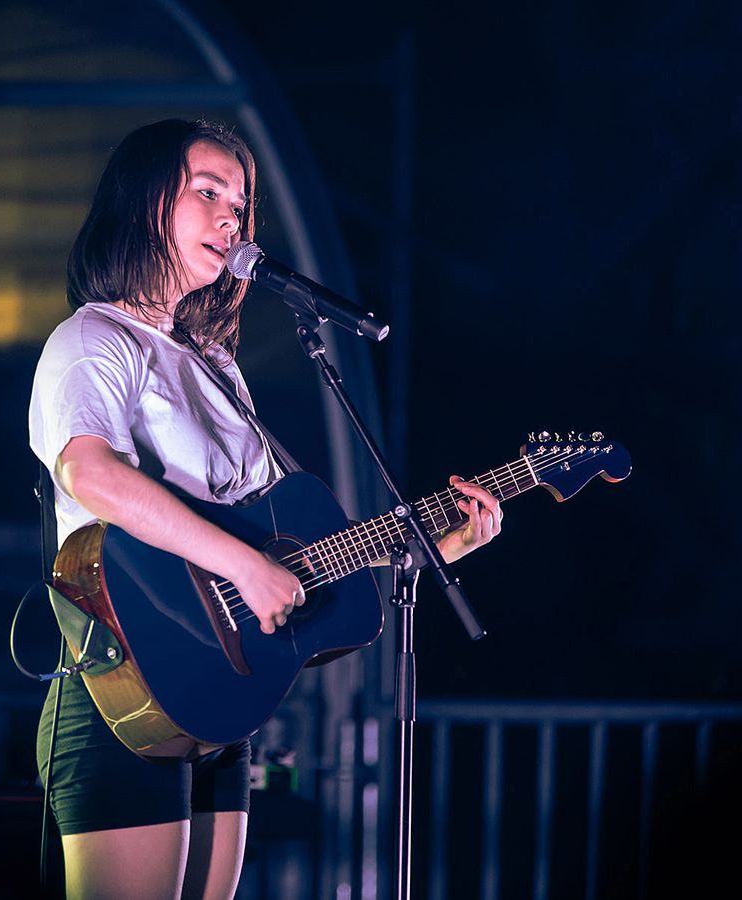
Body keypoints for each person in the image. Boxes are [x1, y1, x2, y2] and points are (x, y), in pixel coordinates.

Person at [28, 118, 503, 900]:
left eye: (241, 205)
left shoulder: (214, 365)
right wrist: (245, 566)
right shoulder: (94, 340)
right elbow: (91, 474)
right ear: (146, 202)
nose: (231, 218)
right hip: (125, 687)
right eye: (206, 192)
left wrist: (420, 546)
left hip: (218, 697)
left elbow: (284, 540)